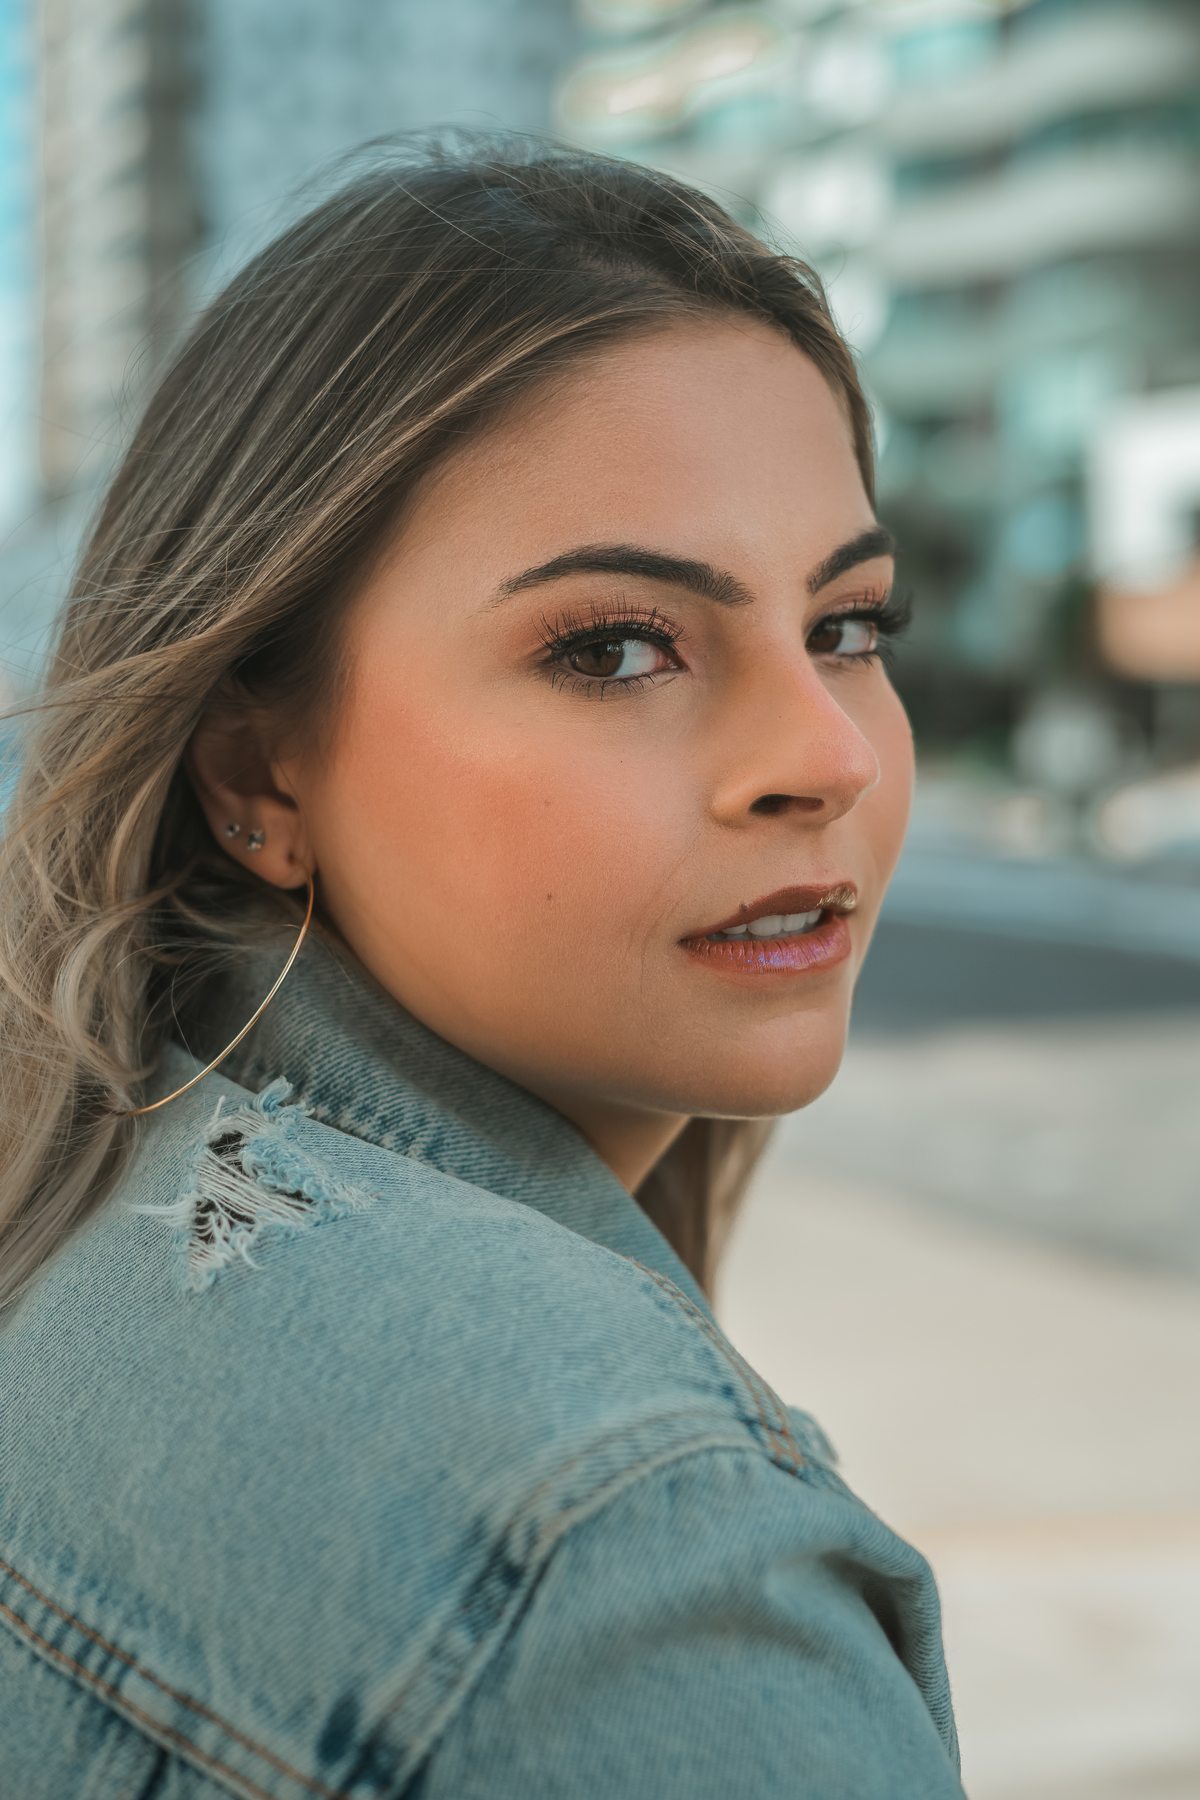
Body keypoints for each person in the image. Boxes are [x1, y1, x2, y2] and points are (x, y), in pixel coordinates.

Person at [0, 139, 963, 1798]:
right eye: (616, 647)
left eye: (848, 626)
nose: (825, 756)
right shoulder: (628, 1562)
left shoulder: (81, 1189)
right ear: (258, 774)